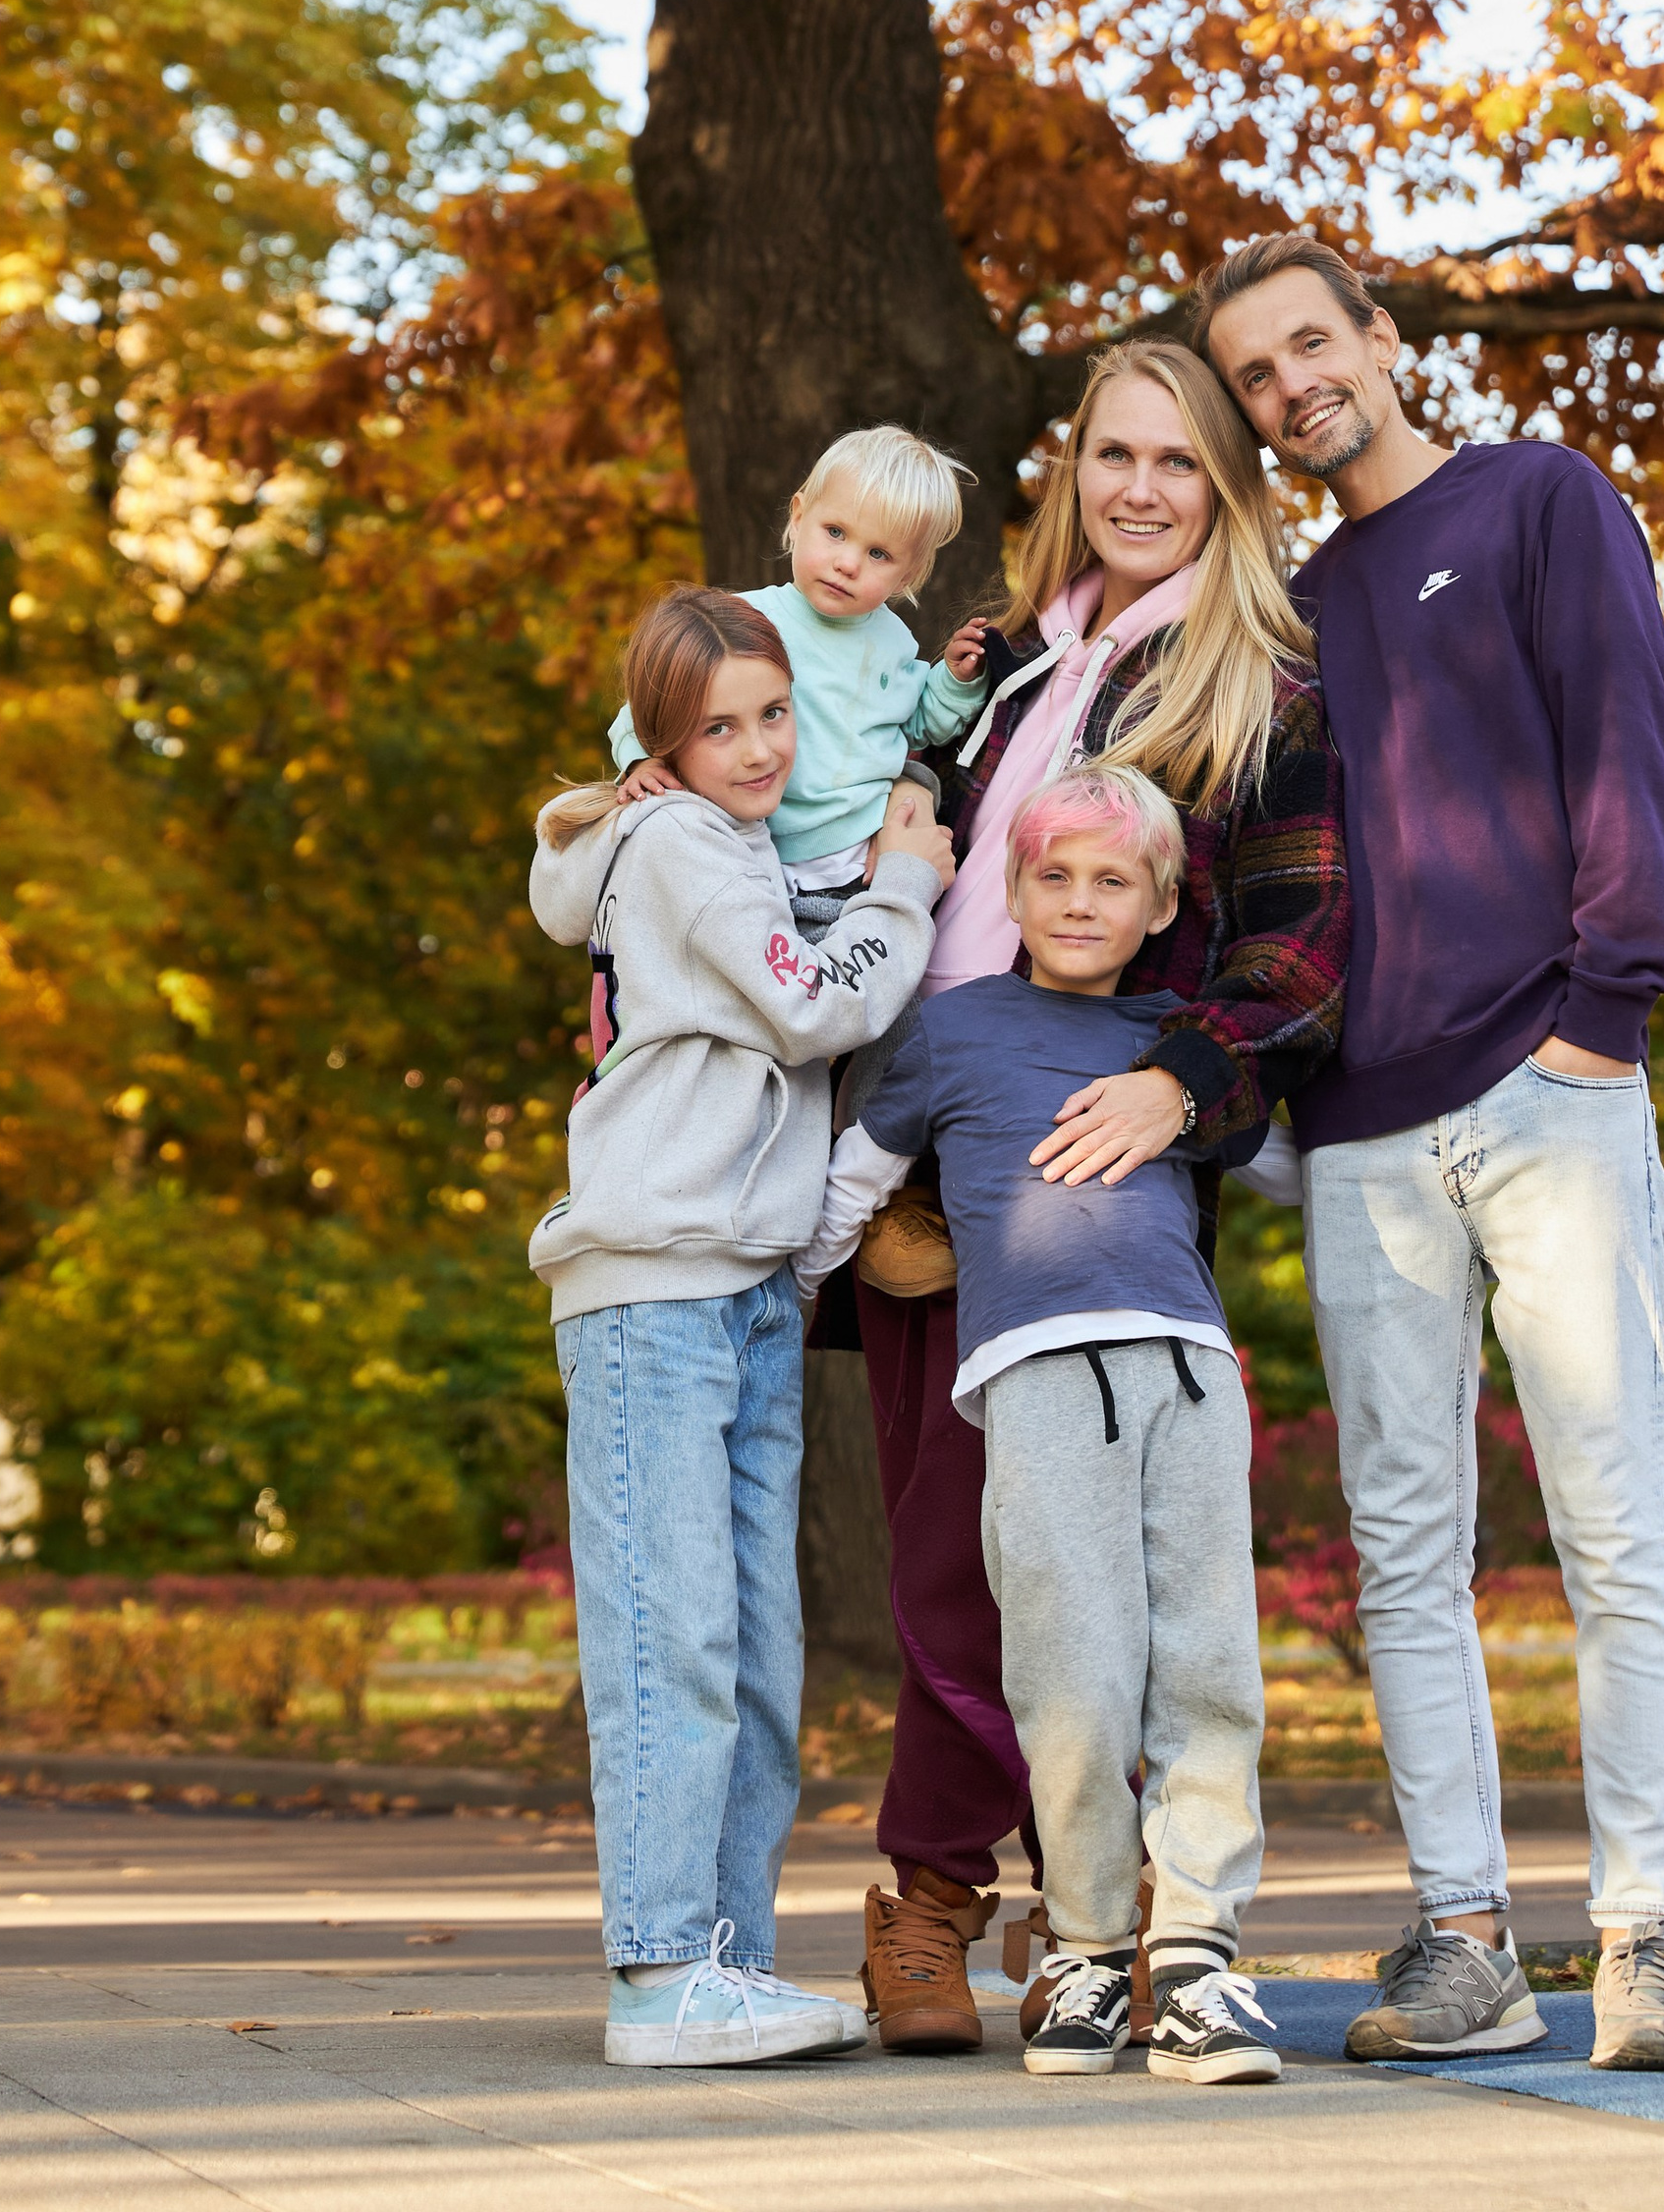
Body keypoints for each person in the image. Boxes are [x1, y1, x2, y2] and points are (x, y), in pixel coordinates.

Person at [1196, 229, 1664, 2076]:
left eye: (1310, 345)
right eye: (1254, 374)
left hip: (1551, 1085)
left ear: (1383, 341)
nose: (1290, 387)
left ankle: (1649, 1933)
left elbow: (1623, 755)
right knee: (1404, 1553)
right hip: (1361, 1137)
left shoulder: (1536, 503)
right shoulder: (1283, 607)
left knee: (1610, 1524)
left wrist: (1607, 1012)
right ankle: (1471, 1940)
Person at [825, 338, 1351, 2055]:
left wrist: (1183, 1079)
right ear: (1073, 474)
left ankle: (1005, 1901)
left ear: (1226, 488)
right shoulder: (1003, 667)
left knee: (1084, 1579)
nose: (1138, 488)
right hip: (937, 1144)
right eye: (1113, 455)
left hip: (1094, 1169)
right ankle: (968, 1891)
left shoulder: (1255, 681)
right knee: (945, 1555)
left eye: (1179, 463)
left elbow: (1294, 938)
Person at [799, 763, 1285, 2087]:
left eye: (1112, 881)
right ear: (1009, 893)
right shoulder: (953, 1034)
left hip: (1188, 1371)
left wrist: (1216, 1087)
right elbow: (853, 1183)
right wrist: (776, 1307)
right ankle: (1081, 1945)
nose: (1079, 902)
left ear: (1159, 904)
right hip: (1032, 1372)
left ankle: (1193, 1952)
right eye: (1053, 876)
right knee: (1070, 1669)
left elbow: (1280, 1151)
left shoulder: (1180, 1035)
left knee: (1207, 1662)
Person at [530, 584, 951, 2069]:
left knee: (761, 1655)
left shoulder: (746, 842)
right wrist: (905, 880)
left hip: (757, 1285)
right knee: (674, 1639)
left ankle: (726, 1962)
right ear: (663, 743)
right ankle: (658, 1970)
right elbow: (811, 1012)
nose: (760, 748)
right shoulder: (679, 848)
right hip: (656, 1286)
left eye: (775, 713)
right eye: (720, 726)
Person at [611, 425, 989, 940]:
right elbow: (656, 698)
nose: (847, 563)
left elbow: (919, 723)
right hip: (755, 855)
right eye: (835, 532)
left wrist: (954, 680)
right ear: (798, 516)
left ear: (908, 574)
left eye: (879, 554)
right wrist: (641, 757)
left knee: (877, 1002)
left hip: (863, 863)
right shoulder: (746, 621)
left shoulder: (894, 643)